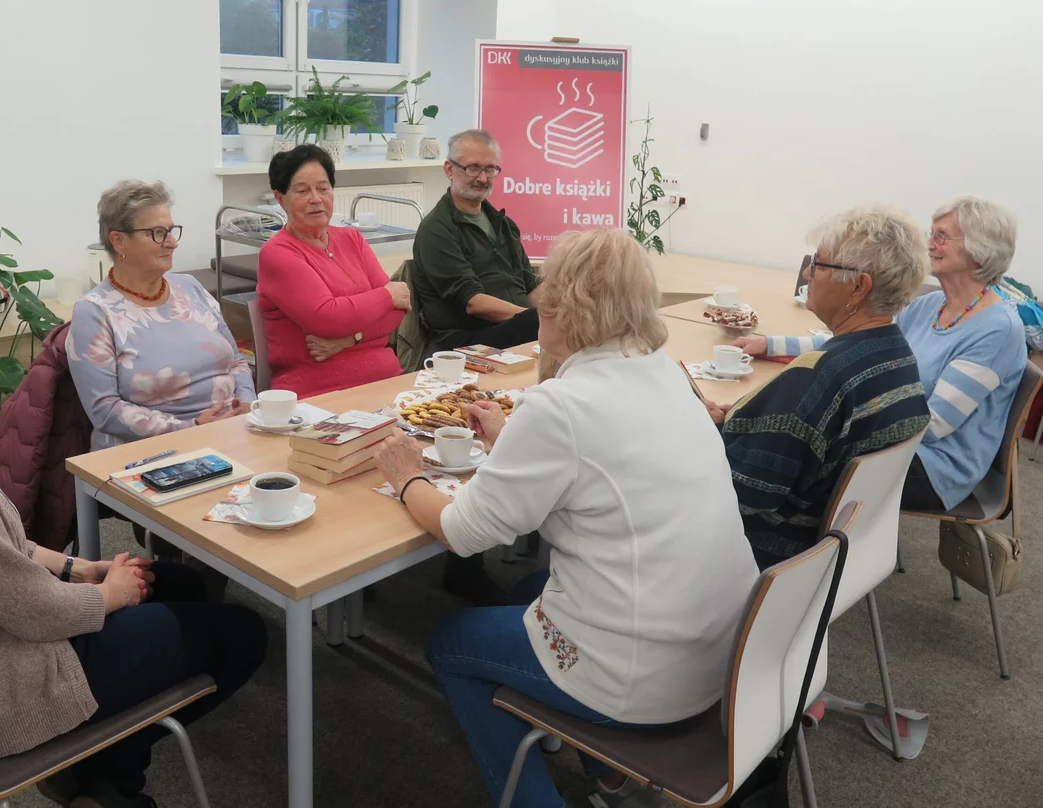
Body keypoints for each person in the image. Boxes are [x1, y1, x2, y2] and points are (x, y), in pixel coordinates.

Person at [0, 228, 267, 808]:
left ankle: (96, 774)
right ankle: (109, 781)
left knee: (181, 585)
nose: (0, 308)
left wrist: (77, 568)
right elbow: (32, 609)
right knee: (243, 634)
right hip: (12, 680)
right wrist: (109, 594)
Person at [375, 229, 758, 808]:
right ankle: (608, 774)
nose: (536, 298)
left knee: (451, 642)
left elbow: (461, 533)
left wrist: (407, 477)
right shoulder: (667, 374)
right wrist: (512, 439)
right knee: (528, 588)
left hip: (644, 678)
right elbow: (599, 466)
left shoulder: (559, 406)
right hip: (721, 657)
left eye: (546, 288)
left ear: (568, 308)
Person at [737, 197, 1026, 516]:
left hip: (933, 467)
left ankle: (767, 521)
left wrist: (842, 421)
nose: (929, 243)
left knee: (807, 454)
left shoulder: (997, 330)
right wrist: (772, 345)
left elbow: (933, 425)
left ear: (980, 249)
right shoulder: (931, 305)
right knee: (801, 438)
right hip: (894, 438)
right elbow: (859, 344)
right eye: (931, 233)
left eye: (942, 236)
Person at [722, 206, 932, 569]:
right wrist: (746, 419)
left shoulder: (819, 377)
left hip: (765, 555)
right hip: (829, 557)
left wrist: (707, 431)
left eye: (817, 264)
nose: (807, 273)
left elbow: (747, 494)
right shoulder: (899, 356)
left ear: (858, 287)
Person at [67, 180, 256, 450]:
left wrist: (246, 404)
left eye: (171, 231)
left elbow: (236, 361)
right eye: (157, 233)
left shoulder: (190, 287)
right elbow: (104, 409)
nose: (172, 243)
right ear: (118, 240)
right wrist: (191, 429)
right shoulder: (95, 312)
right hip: (154, 451)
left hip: (231, 433)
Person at [256, 144, 409, 398]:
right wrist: (387, 295)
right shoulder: (277, 253)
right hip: (320, 392)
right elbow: (327, 317)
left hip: (388, 379)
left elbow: (397, 313)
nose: (316, 199)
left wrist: (351, 339)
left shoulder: (352, 238)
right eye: (302, 191)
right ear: (280, 198)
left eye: (323, 188)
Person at [412, 129, 539, 351]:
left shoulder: (504, 224)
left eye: (489, 169)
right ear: (449, 169)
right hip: (468, 341)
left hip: (519, 328)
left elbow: (531, 285)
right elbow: (473, 302)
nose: (482, 178)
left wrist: (562, 311)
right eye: (473, 168)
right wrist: (536, 319)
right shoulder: (437, 229)